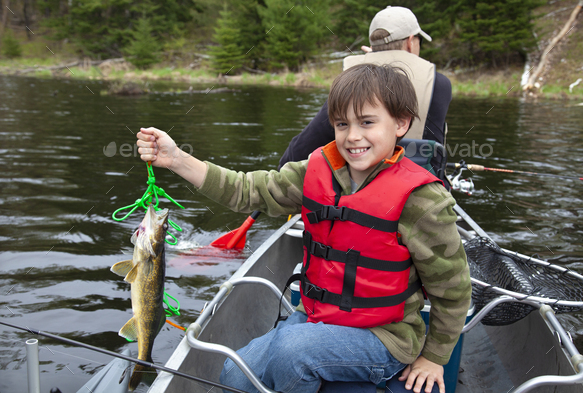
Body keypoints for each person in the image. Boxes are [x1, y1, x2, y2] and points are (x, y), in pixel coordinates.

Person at [136, 64, 471, 393]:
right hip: (317, 316)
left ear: (400, 123)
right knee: (234, 374)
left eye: (367, 122)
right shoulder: (315, 169)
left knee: (292, 351)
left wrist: (435, 357)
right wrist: (177, 158)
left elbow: (453, 289)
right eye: (342, 124)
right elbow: (246, 190)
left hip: (385, 337)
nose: (353, 136)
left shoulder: (424, 200)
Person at [279, 6, 452, 172]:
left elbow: (295, 155)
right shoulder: (439, 83)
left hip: (360, 177)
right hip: (420, 179)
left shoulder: (350, 79)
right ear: (410, 42)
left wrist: (370, 65)